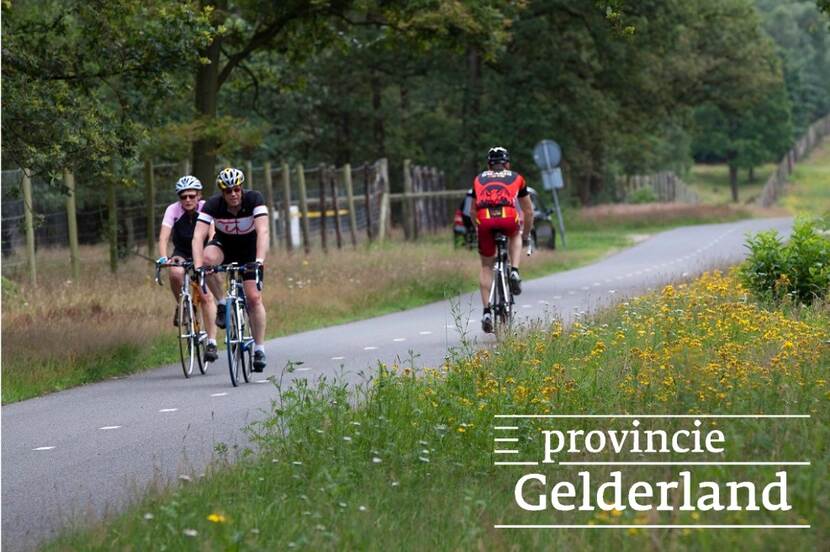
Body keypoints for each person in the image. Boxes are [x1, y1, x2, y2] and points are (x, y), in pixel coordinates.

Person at [191, 167, 270, 370]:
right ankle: (223, 302)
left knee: (254, 298)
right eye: (228, 191)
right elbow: (198, 236)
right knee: (207, 260)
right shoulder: (213, 205)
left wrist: (259, 260)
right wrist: (199, 266)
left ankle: (259, 349)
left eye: (236, 189)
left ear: (241, 188)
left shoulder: (254, 199)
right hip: (224, 246)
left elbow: (263, 231)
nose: (233, 194)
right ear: (222, 192)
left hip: (249, 249)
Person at [472, 146, 534, 333]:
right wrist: (526, 234)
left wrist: (479, 230)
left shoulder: (479, 178)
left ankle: (486, 312)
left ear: (489, 165)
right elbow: (528, 211)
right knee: (515, 234)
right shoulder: (517, 178)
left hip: (484, 218)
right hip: (508, 215)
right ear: (507, 163)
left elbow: (472, 210)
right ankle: (514, 270)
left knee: (485, 266)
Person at [156, 176, 208, 326]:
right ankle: (183, 305)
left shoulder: (206, 207)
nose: (188, 200)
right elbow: (164, 237)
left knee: (206, 292)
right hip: (182, 251)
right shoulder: (173, 209)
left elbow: (212, 233)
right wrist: (164, 258)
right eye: (183, 196)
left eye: (192, 196)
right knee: (175, 272)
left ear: (199, 195)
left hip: (203, 250)